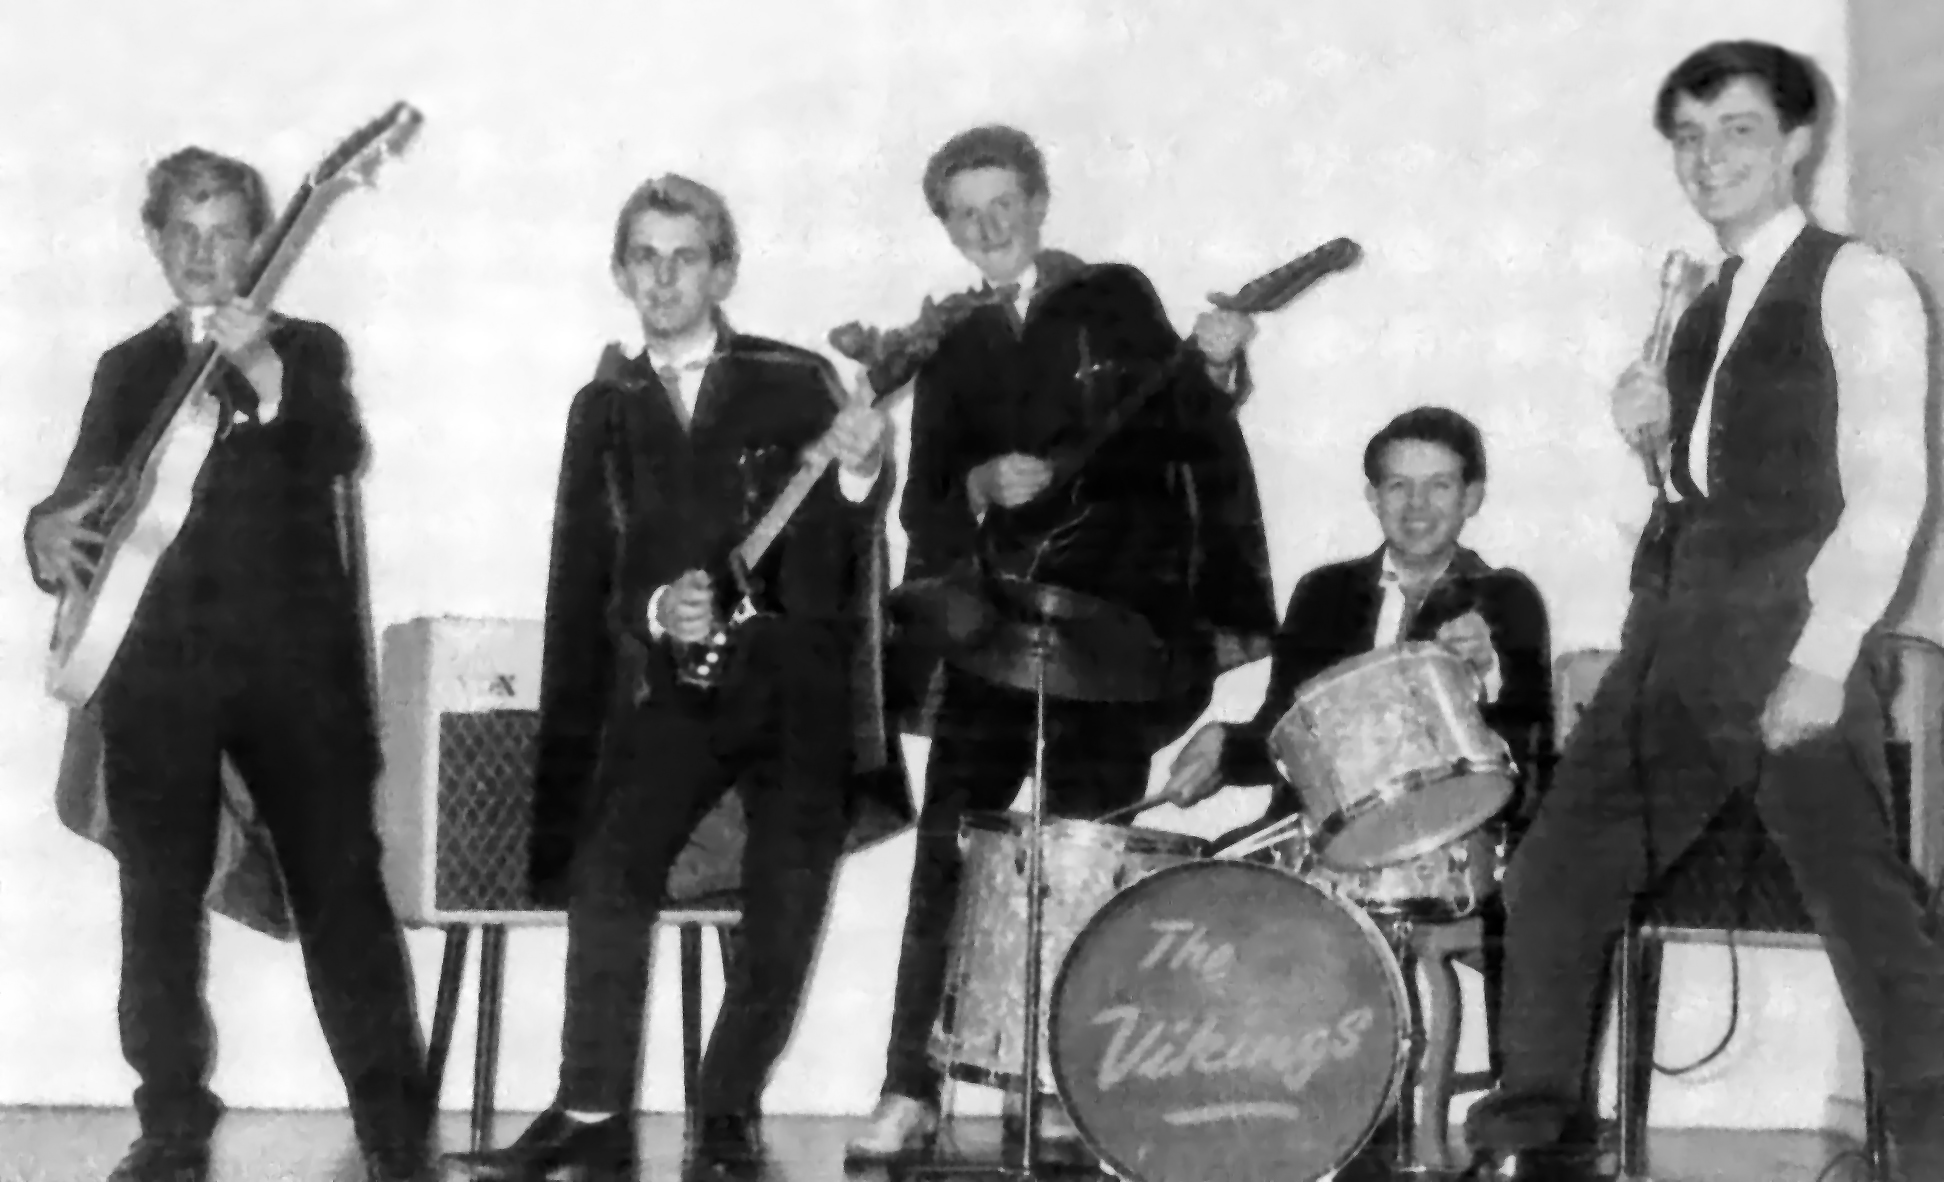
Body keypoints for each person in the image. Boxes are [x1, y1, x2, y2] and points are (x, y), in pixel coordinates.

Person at [1461, 41, 1944, 1181]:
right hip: (1668, 639)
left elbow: (1889, 486)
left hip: (1784, 635)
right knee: (1557, 872)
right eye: (1687, 136)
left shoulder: (1857, 279)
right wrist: (1650, 444)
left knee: (1858, 904)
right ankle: (1533, 1139)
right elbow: (1708, 490)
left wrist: (1826, 658)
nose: (1707, 156)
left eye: (1734, 130)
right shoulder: (1700, 301)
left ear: (1796, 143)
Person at [443, 174, 895, 1181]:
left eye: (684, 255)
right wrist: (659, 612)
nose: (664, 275)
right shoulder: (600, 410)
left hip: (798, 683)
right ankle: (591, 1107)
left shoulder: (795, 380)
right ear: (620, 271)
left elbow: (841, 533)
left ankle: (726, 1107)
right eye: (644, 256)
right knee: (608, 872)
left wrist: (862, 466)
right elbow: (592, 572)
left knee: (785, 905)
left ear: (721, 269)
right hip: (680, 685)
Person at [847, 124, 1279, 1162]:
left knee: (1086, 860)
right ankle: (911, 1086)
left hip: (1109, 639)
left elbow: (1184, 424)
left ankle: (1060, 1079)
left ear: (1040, 201)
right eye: (966, 212)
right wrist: (976, 487)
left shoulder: (1115, 298)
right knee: (952, 857)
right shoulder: (950, 345)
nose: (990, 225)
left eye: (1006, 202)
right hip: (995, 634)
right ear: (947, 228)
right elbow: (931, 509)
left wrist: (1217, 368)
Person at [24, 148, 433, 1182]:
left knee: (344, 895)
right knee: (153, 903)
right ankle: (170, 1120)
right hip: (158, 677)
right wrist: (42, 529)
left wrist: (263, 375)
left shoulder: (309, 349)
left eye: (226, 233)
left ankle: (392, 1130)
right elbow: (83, 494)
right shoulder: (126, 367)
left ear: (259, 243)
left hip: (298, 678)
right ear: (155, 243)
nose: (206, 253)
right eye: (186, 234)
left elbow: (334, 448)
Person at [1158, 406, 1552, 1181]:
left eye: (1439, 484)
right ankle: (1261, 1117)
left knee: (1524, 911)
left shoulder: (1505, 597)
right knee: (1193, 894)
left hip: (1457, 844)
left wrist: (1489, 673)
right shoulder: (1325, 593)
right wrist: (1224, 743)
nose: (1417, 504)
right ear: (1371, 498)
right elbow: (1284, 733)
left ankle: (1479, 1131)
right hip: (1323, 841)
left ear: (1472, 496)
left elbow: (1531, 732)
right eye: (1397, 485)